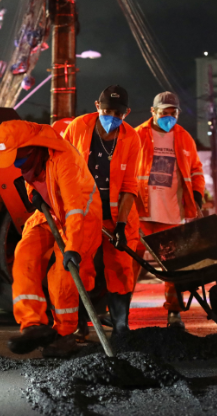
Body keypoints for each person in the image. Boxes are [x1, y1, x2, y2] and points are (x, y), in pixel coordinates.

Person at [0, 120, 102, 357]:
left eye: (18, 156)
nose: (16, 163)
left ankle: (64, 336)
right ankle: (32, 325)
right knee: (24, 255)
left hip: (81, 218)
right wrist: (34, 195)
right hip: (50, 213)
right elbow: (33, 179)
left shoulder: (65, 160)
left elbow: (74, 208)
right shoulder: (32, 157)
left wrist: (72, 247)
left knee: (62, 277)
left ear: (33, 147)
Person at [62, 85, 140, 334]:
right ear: (97, 107)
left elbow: (129, 186)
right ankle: (81, 324)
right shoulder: (77, 127)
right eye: (107, 112)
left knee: (121, 267)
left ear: (126, 113)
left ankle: (120, 324)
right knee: (82, 265)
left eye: (117, 115)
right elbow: (60, 163)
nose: (112, 119)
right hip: (83, 213)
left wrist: (121, 226)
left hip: (117, 216)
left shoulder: (131, 138)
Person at [133, 92, 205, 329]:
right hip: (140, 212)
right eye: (164, 113)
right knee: (127, 266)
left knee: (173, 267)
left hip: (170, 215)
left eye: (173, 113)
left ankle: (174, 313)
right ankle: (118, 312)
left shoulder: (184, 138)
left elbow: (196, 170)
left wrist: (197, 195)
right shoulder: (136, 135)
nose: (169, 117)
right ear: (153, 112)